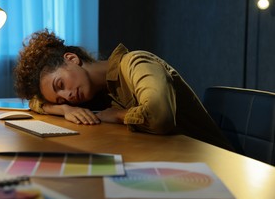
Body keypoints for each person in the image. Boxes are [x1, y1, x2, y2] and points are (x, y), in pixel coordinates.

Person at [13, 29, 233, 151]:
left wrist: (117, 116)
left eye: (60, 86)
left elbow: (160, 117)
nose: (67, 97)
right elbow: (35, 102)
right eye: (61, 99)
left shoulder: (136, 62)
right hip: (176, 163)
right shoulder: (98, 93)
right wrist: (63, 110)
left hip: (219, 166)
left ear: (71, 59)